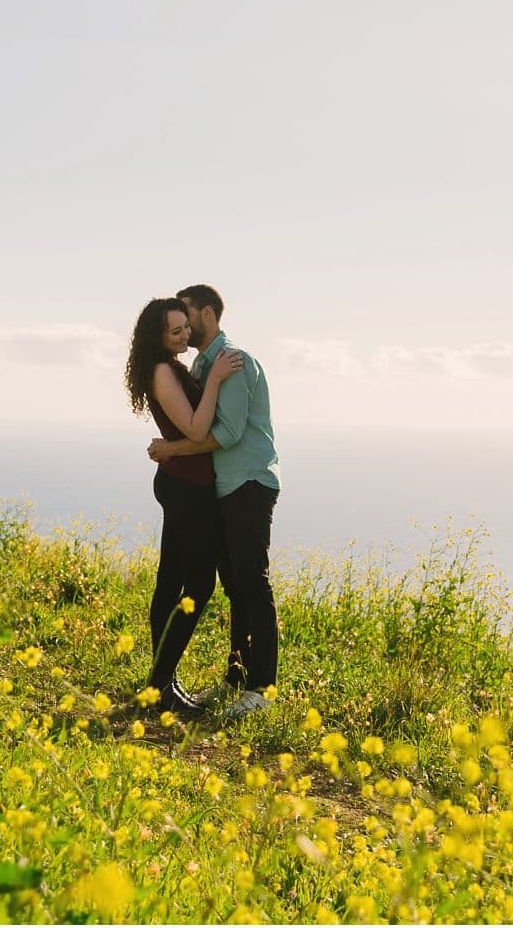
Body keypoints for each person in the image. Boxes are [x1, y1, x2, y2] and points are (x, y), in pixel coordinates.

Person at [148, 284, 281, 719]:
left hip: (247, 484)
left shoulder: (232, 361)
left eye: (187, 317)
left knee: (252, 584)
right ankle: (237, 679)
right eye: (176, 325)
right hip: (224, 488)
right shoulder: (204, 366)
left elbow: (227, 434)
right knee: (235, 586)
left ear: (207, 314)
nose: (184, 328)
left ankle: (261, 688)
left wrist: (170, 451)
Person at [123, 296, 243, 715]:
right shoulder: (161, 371)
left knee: (171, 584)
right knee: (198, 587)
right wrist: (214, 382)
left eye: (185, 328)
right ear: (157, 337)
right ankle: (160, 684)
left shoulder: (170, 367)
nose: (184, 335)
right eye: (175, 331)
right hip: (186, 489)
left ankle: (161, 684)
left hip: (183, 484)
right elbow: (195, 427)